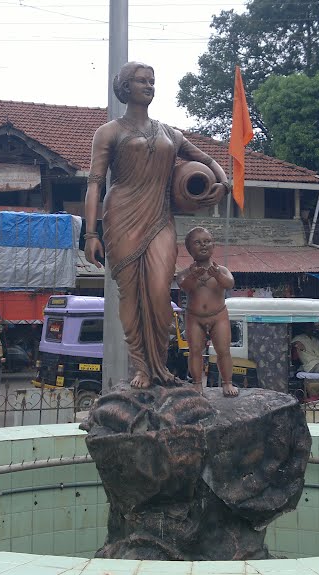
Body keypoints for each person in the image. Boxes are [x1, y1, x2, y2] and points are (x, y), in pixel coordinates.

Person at [83, 61, 228, 390]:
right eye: (141, 81)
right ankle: (142, 368)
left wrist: (222, 182)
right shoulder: (109, 132)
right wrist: (91, 233)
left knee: (161, 293)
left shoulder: (169, 134)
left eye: (152, 80)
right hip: (122, 216)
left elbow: (206, 160)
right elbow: (94, 183)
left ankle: (160, 366)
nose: (149, 85)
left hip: (160, 218)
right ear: (125, 88)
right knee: (131, 294)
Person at [178, 227, 237, 397]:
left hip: (218, 315)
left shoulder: (222, 270)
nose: (203, 245)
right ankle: (197, 383)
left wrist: (217, 275)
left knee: (223, 350)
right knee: (195, 350)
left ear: (213, 246)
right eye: (197, 243)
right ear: (189, 249)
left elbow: (229, 284)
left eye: (207, 241)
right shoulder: (185, 273)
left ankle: (227, 382)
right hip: (194, 317)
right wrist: (193, 276)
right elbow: (185, 286)